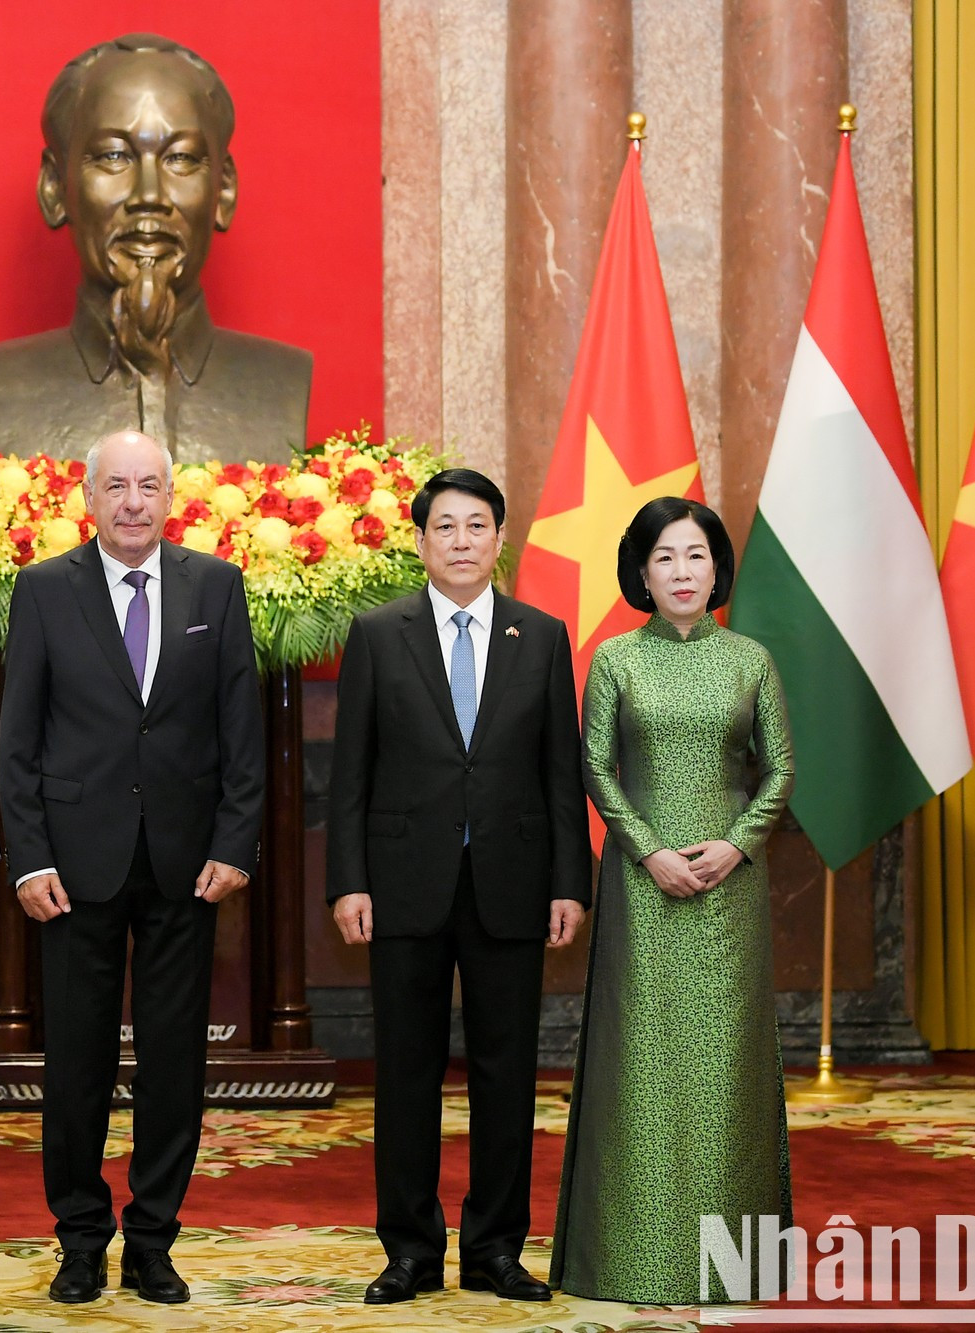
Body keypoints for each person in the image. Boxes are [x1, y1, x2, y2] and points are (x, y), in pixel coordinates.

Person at [0, 428, 265, 1305]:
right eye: (116, 485)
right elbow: (19, 741)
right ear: (88, 496)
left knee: (174, 1060)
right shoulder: (42, 590)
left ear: (170, 495)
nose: (133, 501)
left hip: (188, 865)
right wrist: (28, 857)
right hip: (74, 869)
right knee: (74, 1061)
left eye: (148, 485)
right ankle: (80, 1237)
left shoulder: (215, 586)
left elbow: (242, 730)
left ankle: (154, 1238)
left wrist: (235, 841)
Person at [326, 467, 591, 1305]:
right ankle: (408, 1248)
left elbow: (561, 773)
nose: (463, 541)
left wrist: (569, 884)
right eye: (447, 527)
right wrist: (347, 882)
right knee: (405, 1073)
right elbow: (351, 775)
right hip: (403, 886)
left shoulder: (540, 635)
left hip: (512, 884)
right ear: (420, 541)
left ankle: (496, 1248)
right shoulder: (378, 633)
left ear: (500, 538)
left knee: (507, 1074)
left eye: (478, 526)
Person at [550, 497, 795, 1304]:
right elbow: (595, 768)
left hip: (731, 889)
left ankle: (734, 1264)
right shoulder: (618, 659)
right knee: (640, 1060)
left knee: (728, 1066)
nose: (683, 571)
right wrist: (649, 848)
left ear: (718, 567)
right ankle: (631, 1258)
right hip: (639, 883)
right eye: (665, 557)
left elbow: (781, 770)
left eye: (696, 555)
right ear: (642, 573)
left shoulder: (750, 659)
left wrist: (736, 842)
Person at [0, 33, 312, 464]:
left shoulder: (284, 382)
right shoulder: (4, 386)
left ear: (222, 191)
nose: (150, 194)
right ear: (55, 188)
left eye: (180, 158)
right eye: (114, 156)